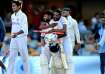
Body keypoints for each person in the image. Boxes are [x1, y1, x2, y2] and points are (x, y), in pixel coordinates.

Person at [7, 0, 29, 74]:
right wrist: (13, 34)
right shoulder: (12, 15)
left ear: (19, 6)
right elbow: (14, 27)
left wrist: (16, 33)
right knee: (11, 57)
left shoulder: (23, 16)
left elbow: (24, 29)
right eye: (12, 6)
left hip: (21, 38)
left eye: (14, 6)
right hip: (14, 39)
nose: (12, 7)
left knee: (24, 58)